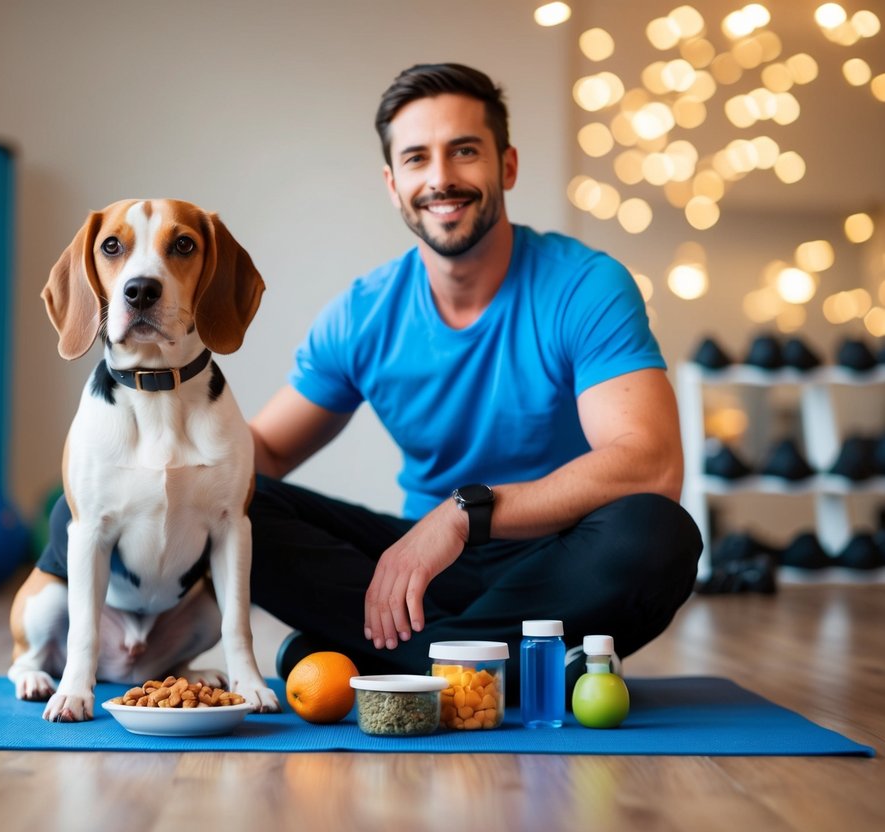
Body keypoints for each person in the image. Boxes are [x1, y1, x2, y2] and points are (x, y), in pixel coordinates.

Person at [247, 63, 702, 701]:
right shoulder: (361, 313)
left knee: (658, 532)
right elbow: (262, 453)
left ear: (506, 166)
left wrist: (465, 514)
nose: (441, 179)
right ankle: (503, 669)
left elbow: (651, 464)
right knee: (227, 504)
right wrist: (147, 464)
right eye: (416, 158)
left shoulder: (586, 285)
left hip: (557, 565)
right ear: (392, 183)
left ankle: (386, 666)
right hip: (412, 582)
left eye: (464, 151)